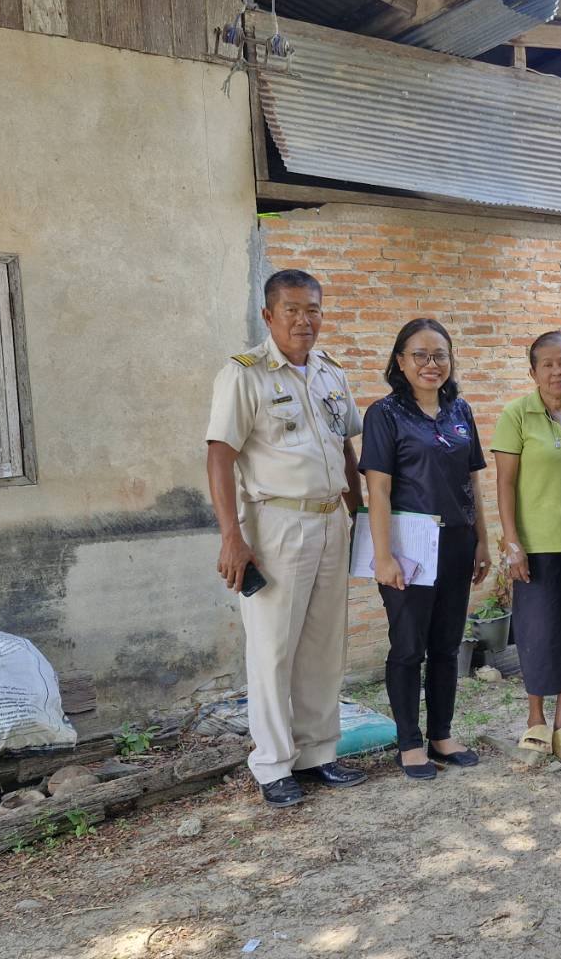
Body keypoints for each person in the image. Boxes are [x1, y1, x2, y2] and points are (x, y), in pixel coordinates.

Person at [205, 269, 368, 808]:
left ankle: (319, 752)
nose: (305, 320)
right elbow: (220, 456)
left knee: (324, 643)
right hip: (275, 525)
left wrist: (358, 512)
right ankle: (274, 764)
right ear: (269, 315)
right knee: (275, 647)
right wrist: (231, 535)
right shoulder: (244, 375)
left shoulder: (331, 374)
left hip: (330, 522)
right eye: (293, 309)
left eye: (313, 309)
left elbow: (346, 446)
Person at [360, 318, 492, 781]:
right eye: (419, 355)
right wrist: (382, 555)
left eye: (440, 355)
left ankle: (441, 734)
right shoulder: (385, 414)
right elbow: (377, 491)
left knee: (446, 643)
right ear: (400, 361)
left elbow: (472, 479)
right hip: (409, 545)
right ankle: (409, 742)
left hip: (456, 541)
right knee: (408, 644)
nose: (431, 364)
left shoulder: (461, 411)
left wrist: (483, 539)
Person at [492, 331, 561, 762]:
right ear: (533, 371)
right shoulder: (516, 414)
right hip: (533, 545)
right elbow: (505, 483)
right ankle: (536, 717)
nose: (558, 371)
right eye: (548, 364)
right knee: (536, 632)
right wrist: (512, 542)